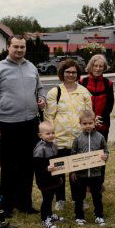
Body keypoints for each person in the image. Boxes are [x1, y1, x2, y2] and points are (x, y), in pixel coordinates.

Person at [0, 35, 46, 214]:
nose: (19, 50)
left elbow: (39, 89)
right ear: (8, 48)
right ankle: (6, 205)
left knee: (28, 166)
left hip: (30, 124)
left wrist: (41, 99)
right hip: (7, 125)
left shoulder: (31, 67)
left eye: (22, 47)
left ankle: (24, 203)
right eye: (16, 47)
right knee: (9, 167)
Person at [44, 59, 92, 211]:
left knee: (79, 171)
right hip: (60, 139)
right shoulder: (54, 92)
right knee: (59, 170)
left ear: (78, 74)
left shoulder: (84, 92)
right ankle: (60, 199)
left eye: (74, 72)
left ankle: (80, 198)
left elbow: (89, 114)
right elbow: (49, 116)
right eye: (68, 72)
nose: (71, 75)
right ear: (62, 73)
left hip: (79, 139)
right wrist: (50, 137)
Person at [70, 109, 109, 226]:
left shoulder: (100, 137)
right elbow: (72, 155)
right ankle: (79, 216)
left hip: (96, 174)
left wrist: (105, 156)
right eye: (84, 124)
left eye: (90, 123)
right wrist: (73, 171)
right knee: (79, 196)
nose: (88, 126)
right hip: (81, 174)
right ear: (80, 124)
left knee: (97, 196)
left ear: (94, 122)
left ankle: (99, 215)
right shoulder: (77, 139)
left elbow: (106, 151)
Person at [32, 121, 66, 228]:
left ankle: (50, 214)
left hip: (53, 178)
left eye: (52, 133)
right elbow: (37, 166)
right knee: (46, 198)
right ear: (40, 135)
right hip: (44, 180)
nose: (51, 135)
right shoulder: (39, 149)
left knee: (51, 197)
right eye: (48, 133)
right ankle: (44, 219)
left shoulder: (54, 145)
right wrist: (46, 168)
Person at [80, 54, 114, 140]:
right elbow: (80, 103)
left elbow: (109, 105)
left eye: (100, 66)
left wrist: (99, 119)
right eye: (95, 65)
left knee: (101, 150)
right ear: (91, 66)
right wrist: (91, 119)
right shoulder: (83, 82)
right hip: (86, 123)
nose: (98, 68)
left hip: (102, 124)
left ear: (104, 67)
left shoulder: (108, 83)